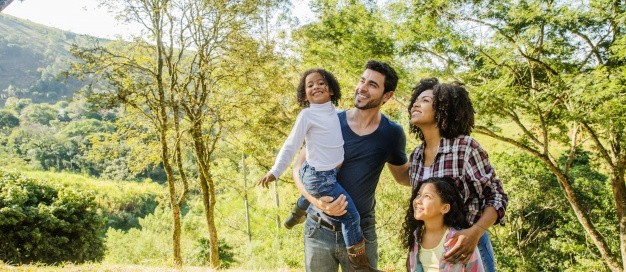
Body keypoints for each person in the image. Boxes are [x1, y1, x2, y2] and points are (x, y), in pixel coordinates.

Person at [292, 60, 410, 271]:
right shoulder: (330, 121)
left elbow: (403, 176)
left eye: (372, 85)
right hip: (318, 229)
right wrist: (317, 203)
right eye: (362, 80)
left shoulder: (392, 133)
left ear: (387, 96)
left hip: (362, 233)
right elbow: (298, 170)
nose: (362, 88)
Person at [257, 68, 375, 269]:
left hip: (325, 174)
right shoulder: (307, 115)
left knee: (312, 192)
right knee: (351, 216)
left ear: (331, 89)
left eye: (320, 83)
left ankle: (297, 214)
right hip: (319, 176)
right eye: (309, 85)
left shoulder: (336, 115)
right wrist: (275, 171)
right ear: (304, 95)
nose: (316, 87)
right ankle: (360, 265)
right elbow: (291, 144)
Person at [407, 78, 508, 272]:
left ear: (443, 109)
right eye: (416, 100)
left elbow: (496, 196)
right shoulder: (417, 156)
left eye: (425, 100)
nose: (416, 104)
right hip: (428, 250)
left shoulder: (465, 148)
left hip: (467, 249)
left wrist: (476, 232)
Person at [403, 176, 484, 272]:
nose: (417, 201)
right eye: (418, 195)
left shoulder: (460, 242)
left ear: (445, 208)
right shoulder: (416, 237)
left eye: (427, 196)